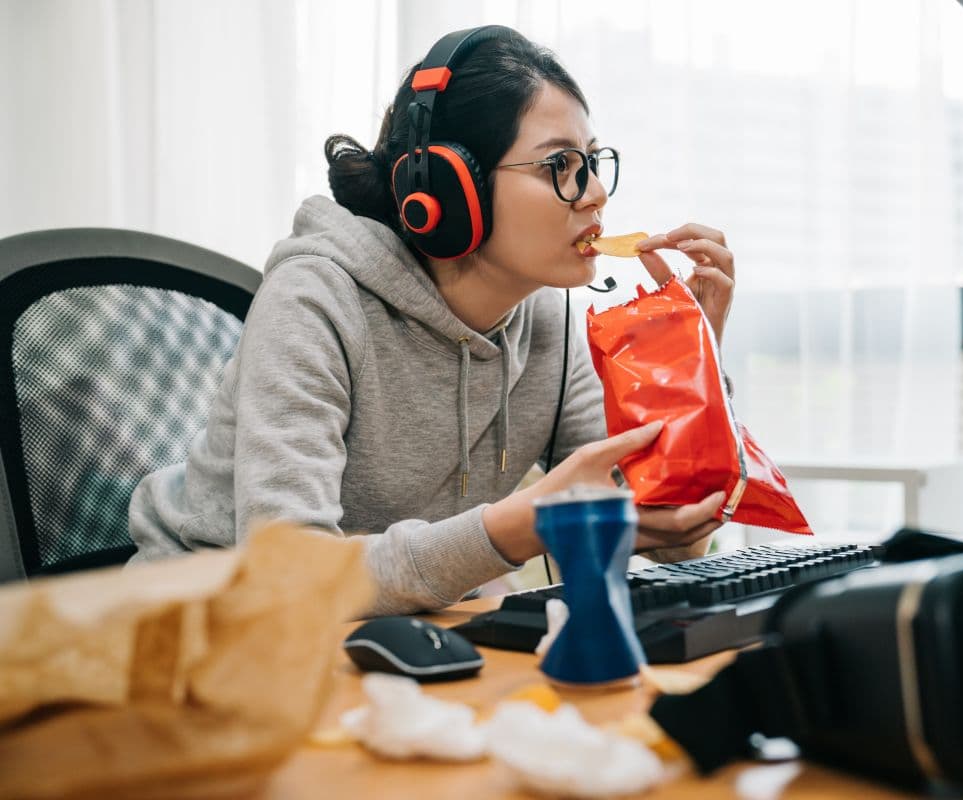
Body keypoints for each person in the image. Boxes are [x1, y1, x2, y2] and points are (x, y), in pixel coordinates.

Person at [127, 26, 738, 615]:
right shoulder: (316, 298)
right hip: (199, 640)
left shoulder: (542, 322)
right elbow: (290, 577)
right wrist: (514, 529)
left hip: (393, 640)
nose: (595, 193)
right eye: (560, 166)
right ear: (451, 188)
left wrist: (691, 371)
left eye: (594, 162)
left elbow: (673, 537)